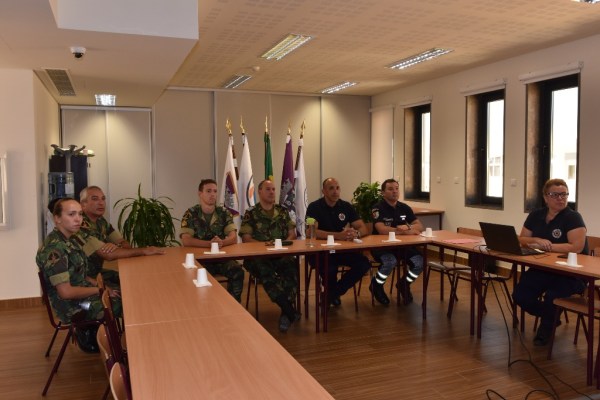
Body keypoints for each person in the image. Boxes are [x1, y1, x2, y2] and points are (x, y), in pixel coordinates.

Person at [36, 198, 122, 352]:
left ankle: (117, 346)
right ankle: (118, 352)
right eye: (71, 214)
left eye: (80, 214)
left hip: (82, 295)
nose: (78, 219)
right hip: (73, 307)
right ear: (57, 219)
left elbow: (81, 275)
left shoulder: (72, 239)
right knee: (121, 303)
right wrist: (100, 290)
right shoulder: (55, 249)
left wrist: (100, 285)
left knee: (121, 295)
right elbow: (66, 292)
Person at [513, 178, 588, 346]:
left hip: (571, 273)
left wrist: (547, 246)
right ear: (545, 197)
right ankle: (551, 317)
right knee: (520, 295)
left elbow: (576, 247)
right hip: (544, 268)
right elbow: (522, 239)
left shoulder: (573, 217)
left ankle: (546, 329)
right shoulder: (536, 215)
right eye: (555, 195)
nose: (560, 198)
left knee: (553, 296)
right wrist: (537, 240)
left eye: (564, 194)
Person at [239, 179, 300, 332]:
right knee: (265, 271)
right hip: (258, 257)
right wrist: (265, 246)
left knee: (291, 267)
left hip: (281, 254)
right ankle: (289, 310)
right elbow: (246, 238)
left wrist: (282, 244)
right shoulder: (251, 213)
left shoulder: (283, 211)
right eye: (268, 189)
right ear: (259, 192)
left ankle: (286, 313)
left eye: (273, 189)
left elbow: (292, 234)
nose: (272, 192)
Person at [79, 186, 165, 284]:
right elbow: (108, 255)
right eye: (95, 199)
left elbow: (125, 243)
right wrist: (144, 250)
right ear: (83, 204)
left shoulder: (101, 221)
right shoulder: (80, 225)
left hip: (97, 273)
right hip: (83, 278)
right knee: (128, 286)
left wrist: (117, 246)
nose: (101, 203)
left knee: (134, 278)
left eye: (103, 199)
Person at [306, 178, 371, 307]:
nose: (335, 191)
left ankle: (332, 294)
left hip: (341, 250)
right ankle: (332, 295)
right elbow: (311, 232)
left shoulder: (346, 206)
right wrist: (338, 236)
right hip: (321, 252)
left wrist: (356, 234)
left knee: (364, 264)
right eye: (331, 188)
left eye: (337, 188)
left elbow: (363, 227)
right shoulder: (314, 207)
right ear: (324, 191)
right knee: (330, 268)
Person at [180, 179, 244, 302]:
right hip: (200, 260)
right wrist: (209, 244)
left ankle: (232, 306)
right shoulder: (191, 213)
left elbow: (233, 237)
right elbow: (186, 240)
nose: (213, 194)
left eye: (215, 191)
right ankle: (202, 306)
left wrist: (221, 242)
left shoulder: (223, 212)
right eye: (208, 191)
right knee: (194, 276)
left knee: (237, 271)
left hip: (220, 258)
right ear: (200, 193)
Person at [370, 178, 425, 305]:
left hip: (402, 247)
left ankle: (404, 284)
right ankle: (376, 285)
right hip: (382, 247)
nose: (394, 191)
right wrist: (404, 231)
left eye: (396, 188)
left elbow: (419, 226)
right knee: (390, 261)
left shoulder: (404, 207)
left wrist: (407, 227)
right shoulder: (377, 208)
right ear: (383, 193)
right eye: (390, 189)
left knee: (420, 262)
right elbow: (381, 229)